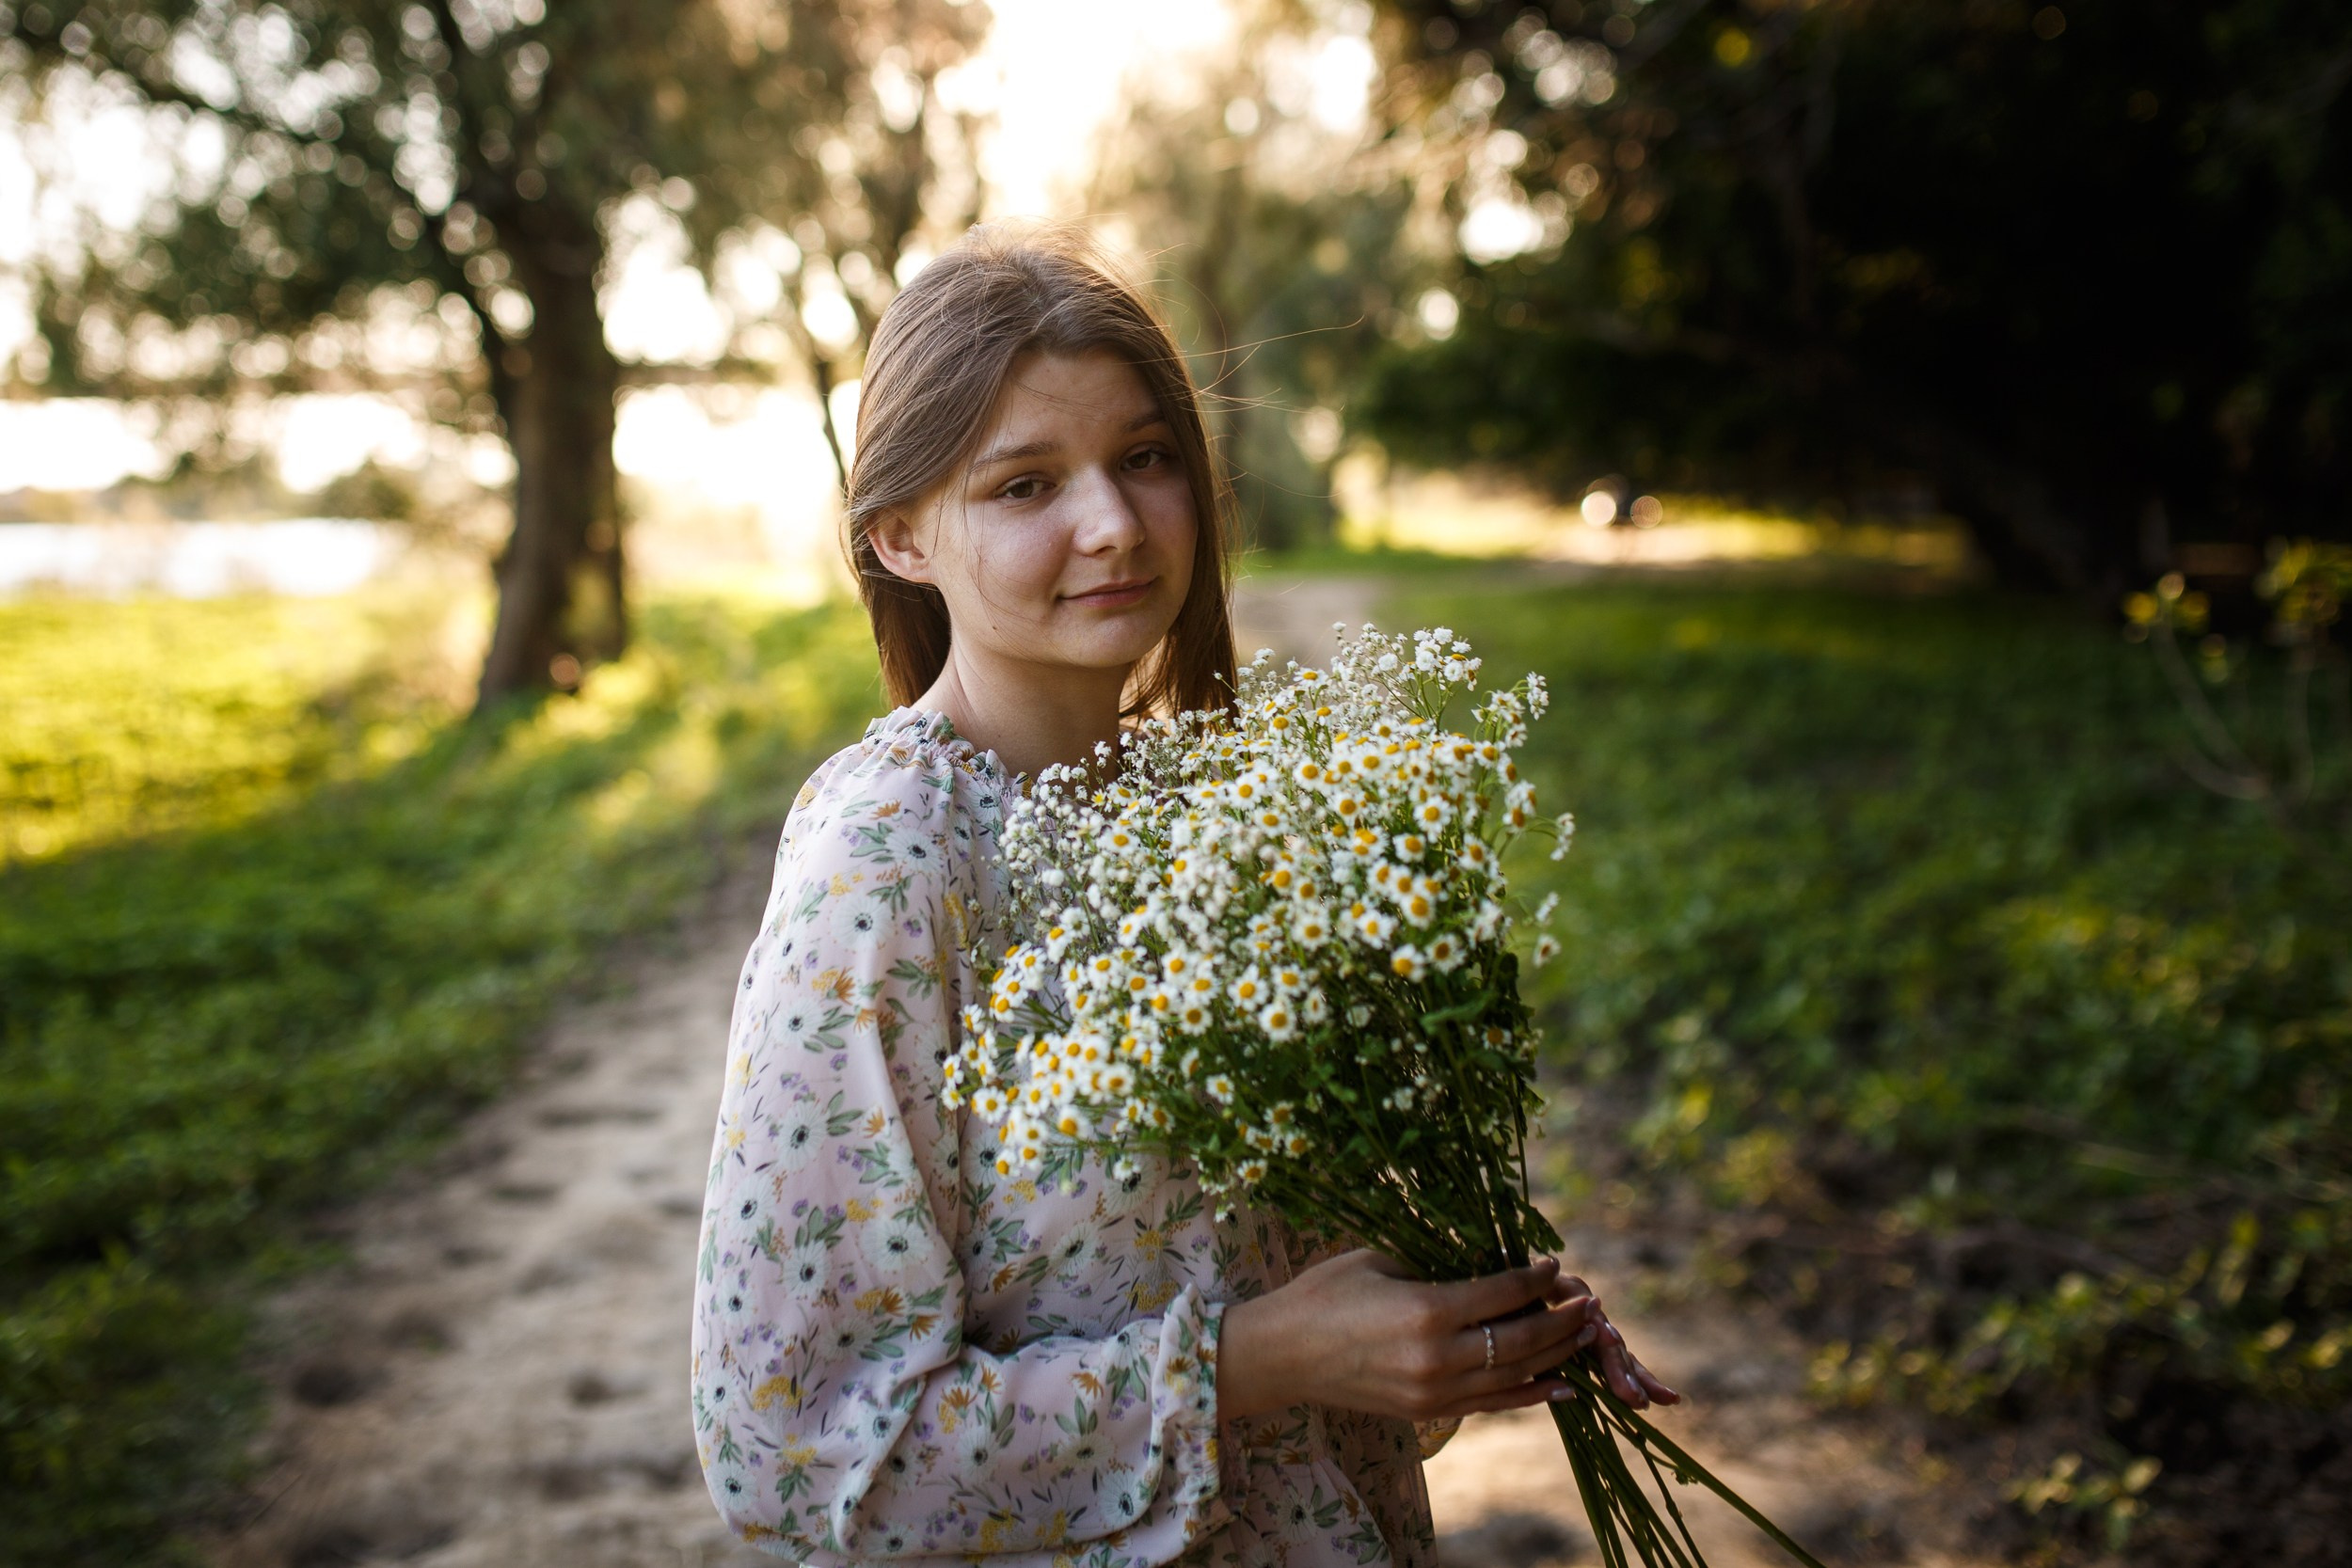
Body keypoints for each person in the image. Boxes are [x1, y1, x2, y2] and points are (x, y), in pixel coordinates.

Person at [690, 220, 1677, 1568]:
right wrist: (1253, 1364)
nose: (1112, 524)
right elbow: (796, 1453)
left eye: (1145, 459)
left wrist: (1473, 1304)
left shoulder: (1218, 811)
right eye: (1026, 485)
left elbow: (1286, 1254)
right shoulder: (889, 857)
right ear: (902, 537)